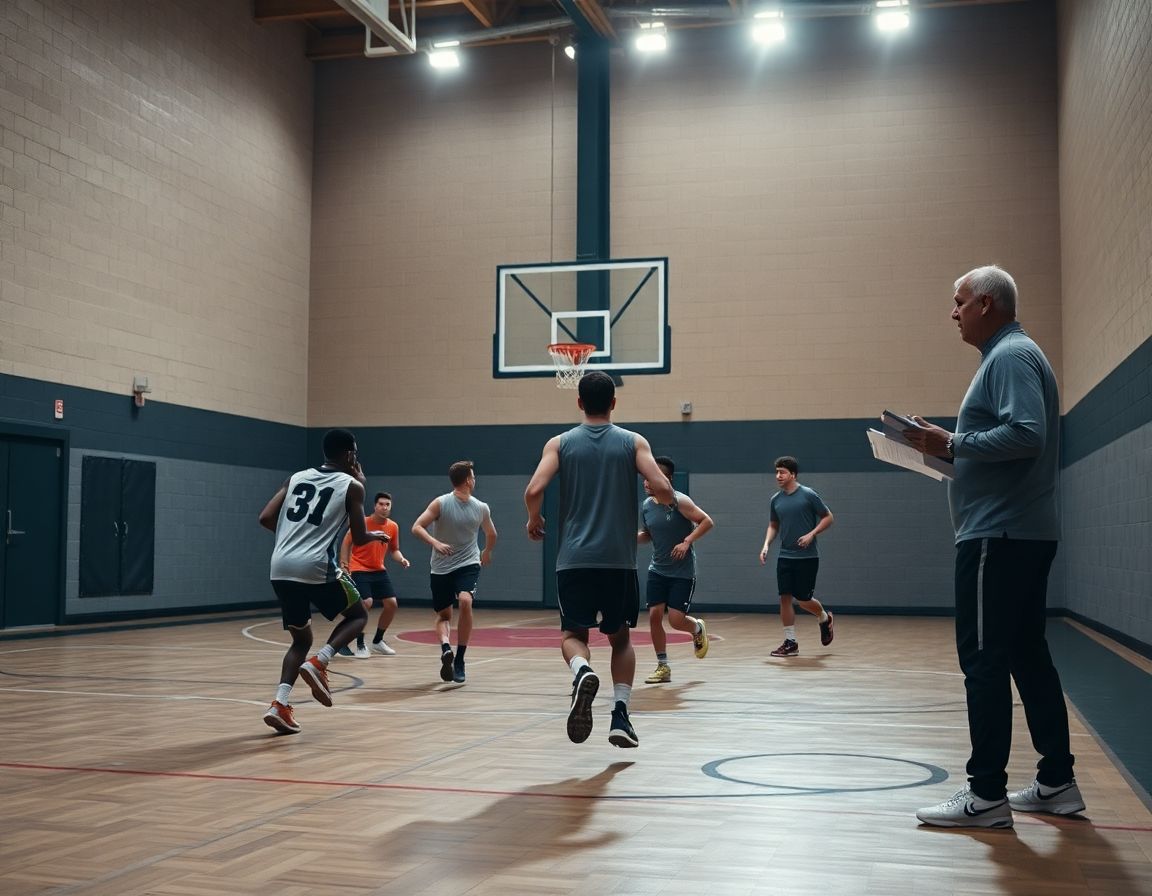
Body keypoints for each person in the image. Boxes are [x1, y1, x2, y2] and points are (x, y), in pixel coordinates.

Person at [907, 265, 1082, 828]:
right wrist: (946, 449)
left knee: (983, 662)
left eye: (959, 302)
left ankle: (985, 795)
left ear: (986, 303)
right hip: (1022, 533)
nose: (952, 312)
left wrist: (952, 441)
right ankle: (1057, 782)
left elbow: (1026, 433)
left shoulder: (1008, 357)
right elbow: (1010, 438)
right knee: (1028, 656)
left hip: (997, 538)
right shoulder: (1013, 356)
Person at [525, 370, 676, 748]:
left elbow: (534, 489)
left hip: (574, 559)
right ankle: (620, 716)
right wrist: (665, 503)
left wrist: (534, 517)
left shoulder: (559, 444)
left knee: (573, 635)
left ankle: (581, 671)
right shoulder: (633, 441)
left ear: (579, 403)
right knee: (621, 639)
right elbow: (662, 487)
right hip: (619, 561)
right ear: (613, 403)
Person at [258, 428, 389, 734]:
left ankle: (280, 704)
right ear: (350, 455)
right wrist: (373, 529)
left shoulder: (295, 478)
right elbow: (358, 537)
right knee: (359, 615)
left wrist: (293, 536)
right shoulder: (353, 486)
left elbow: (265, 518)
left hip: (280, 566)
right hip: (315, 566)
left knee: (300, 639)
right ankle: (321, 662)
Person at [411, 461, 497, 685]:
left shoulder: (481, 507)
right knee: (444, 616)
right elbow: (417, 527)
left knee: (466, 601)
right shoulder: (441, 503)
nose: (475, 480)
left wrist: (486, 551)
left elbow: (491, 533)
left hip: (468, 564)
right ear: (468, 480)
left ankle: (460, 658)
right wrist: (435, 543)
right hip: (441, 567)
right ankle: (446, 648)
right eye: (473, 476)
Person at [638, 455, 714, 683]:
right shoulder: (646, 506)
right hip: (658, 569)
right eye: (645, 477)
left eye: (652, 477)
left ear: (668, 479)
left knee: (676, 621)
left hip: (682, 572)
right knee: (654, 616)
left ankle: (696, 628)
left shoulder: (680, 502)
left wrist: (687, 541)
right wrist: (628, 538)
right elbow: (648, 535)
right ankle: (663, 666)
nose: (647, 482)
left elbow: (706, 521)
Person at [759, 456, 835, 657]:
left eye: (782, 472)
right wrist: (766, 545)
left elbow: (828, 517)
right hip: (785, 556)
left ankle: (824, 617)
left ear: (793, 474)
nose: (778, 476)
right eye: (776, 472)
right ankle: (790, 642)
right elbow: (773, 525)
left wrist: (812, 533)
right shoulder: (776, 500)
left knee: (803, 600)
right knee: (784, 598)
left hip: (807, 557)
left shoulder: (809, 495)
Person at [338, 492, 410, 658]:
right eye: (381, 504)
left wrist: (402, 559)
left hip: (378, 569)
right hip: (358, 567)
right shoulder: (362, 522)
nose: (384, 507)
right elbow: (346, 542)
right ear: (375, 506)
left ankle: (378, 641)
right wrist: (344, 565)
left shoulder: (393, 526)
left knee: (392, 604)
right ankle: (360, 644)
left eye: (387, 505)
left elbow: (394, 549)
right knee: (367, 602)